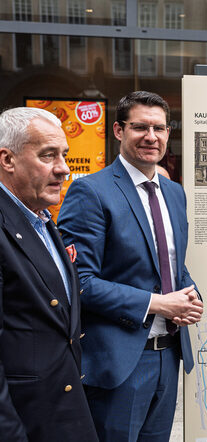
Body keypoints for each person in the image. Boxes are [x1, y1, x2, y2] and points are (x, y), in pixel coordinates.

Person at [58, 91, 203, 441]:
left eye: (159, 128)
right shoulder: (91, 192)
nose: (151, 137)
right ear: (119, 130)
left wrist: (190, 294)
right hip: (118, 364)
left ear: (168, 133)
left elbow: (171, 263)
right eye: (140, 127)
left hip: (168, 356)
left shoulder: (174, 193)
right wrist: (157, 303)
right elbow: (78, 281)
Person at [0, 107, 98, 441]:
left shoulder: (41, 219)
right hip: (26, 422)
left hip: (65, 413)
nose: (64, 168)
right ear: (7, 160)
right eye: (48, 155)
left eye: (64, 155)